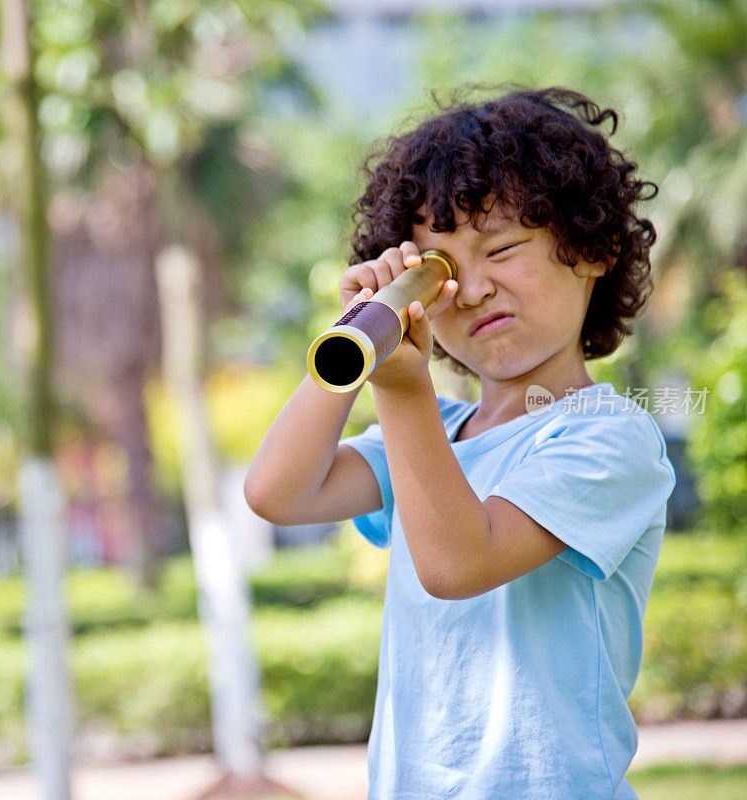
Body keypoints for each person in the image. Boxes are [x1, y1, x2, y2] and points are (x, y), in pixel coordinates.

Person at [244, 85, 676, 799]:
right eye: (438, 271)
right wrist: (366, 323)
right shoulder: (435, 438)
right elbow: (275, 492)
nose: (471, 289)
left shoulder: (610, 440)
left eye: (500, 250)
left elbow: (455, 562)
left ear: (594, 250)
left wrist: (401, 386)